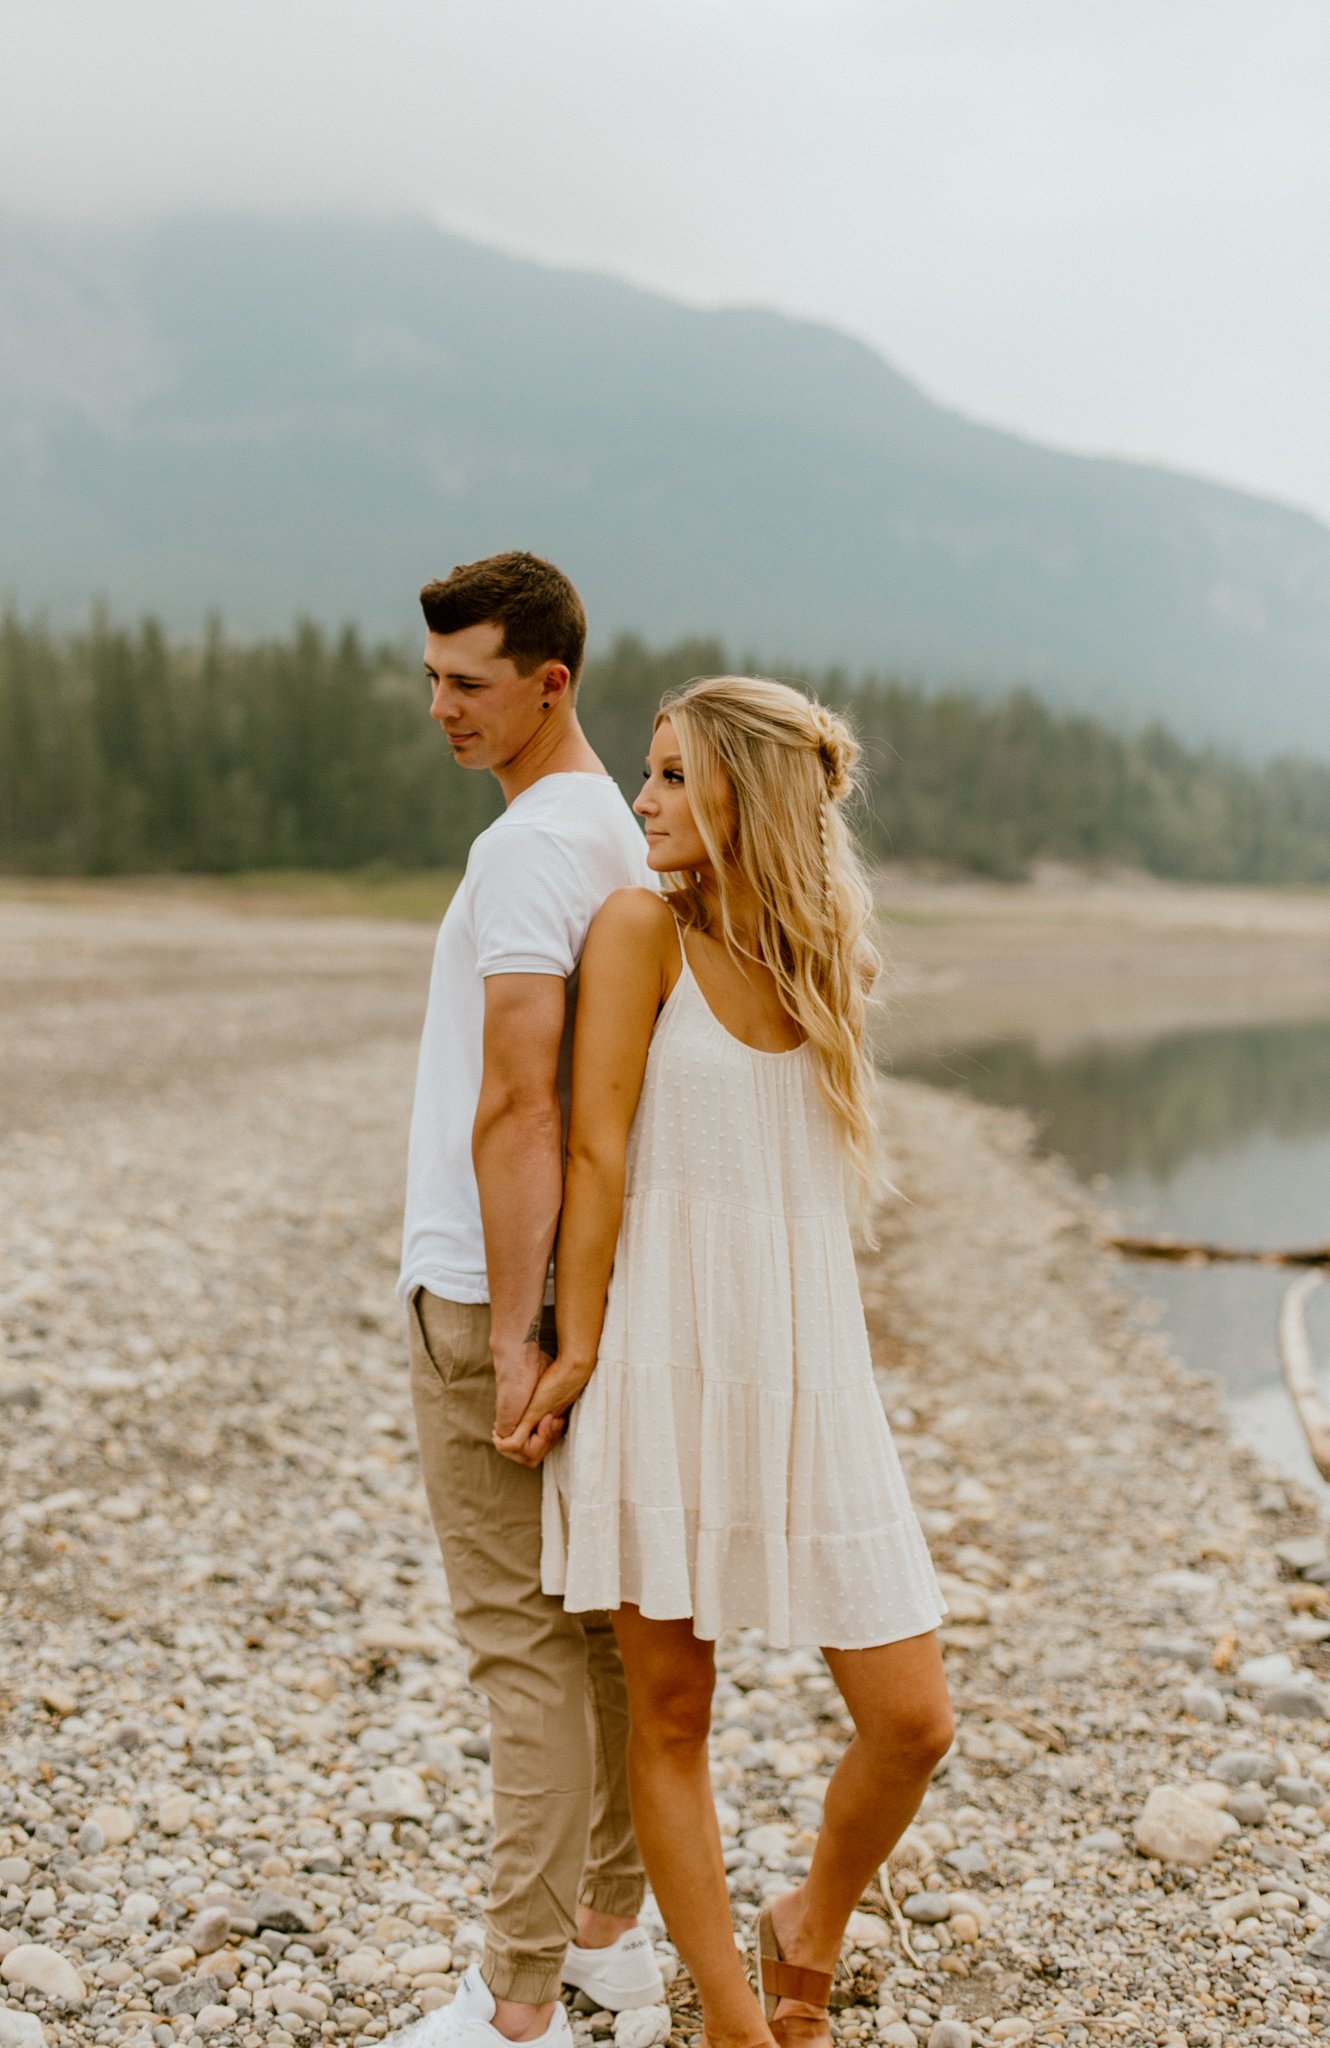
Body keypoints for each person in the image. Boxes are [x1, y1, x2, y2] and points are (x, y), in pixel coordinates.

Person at [497, 677, 954, 2048]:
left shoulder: (829, 963)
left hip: (811, 1371)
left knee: (912, 1718)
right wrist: (571, 1346)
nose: (642, 802)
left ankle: (812, 1912)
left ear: (750, 794)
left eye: (674, 778)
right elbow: (592, 1148)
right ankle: (736, 2028)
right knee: (674, 1710)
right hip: (657, 1357)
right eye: (647, 774)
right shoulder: (639, 928)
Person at [395, 553, 664, 2048]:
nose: (440, 706)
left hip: (484, 1290)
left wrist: (505, 1334)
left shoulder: (530, 851)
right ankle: (612, 1940)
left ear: (550, 683)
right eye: (432, 676)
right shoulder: (609, 831)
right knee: (596, 1639)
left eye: (470, 683)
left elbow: (520, 1103)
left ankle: (516, 2007)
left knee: (522, 1651)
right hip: (579, 1288)